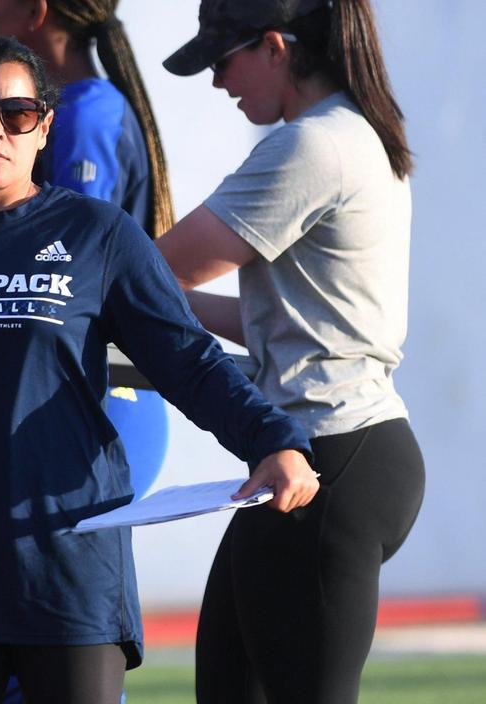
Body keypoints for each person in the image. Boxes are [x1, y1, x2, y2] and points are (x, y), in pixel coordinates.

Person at [0, 36, 319, 704]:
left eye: (18, 114)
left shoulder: (99, 234)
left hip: (68, 575)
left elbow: (189, 361)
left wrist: (273, 439)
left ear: (46, 127)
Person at [156, 1, 426, 702]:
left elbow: (161, 269)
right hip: (337, 457)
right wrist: (158, 306)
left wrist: (56, 270)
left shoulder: (312, 145)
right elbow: (272, 322)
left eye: (224, 60)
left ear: (275, 47)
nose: (219, 82)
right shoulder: (355, 134)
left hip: (327, 463)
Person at [0, 0, 174, 505]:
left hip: (106, 402)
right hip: (71, 395)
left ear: (33, 13)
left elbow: (71, 272)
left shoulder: (87, 113)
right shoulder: (78, 108)